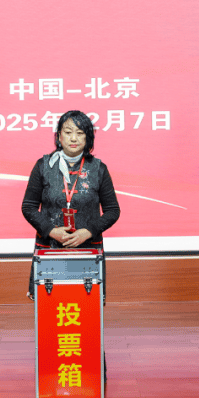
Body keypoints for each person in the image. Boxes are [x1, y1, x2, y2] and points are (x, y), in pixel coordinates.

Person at [22, 110, 120, 299]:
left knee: (85, 304)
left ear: (88, 137)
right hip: (50, 249)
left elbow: (113, 211)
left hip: (88, 249)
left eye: (80, 133)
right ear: (59, 136)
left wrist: (89, 231)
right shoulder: (43, 166)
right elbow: (28, 207)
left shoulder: (98, 169)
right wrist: (51, 230)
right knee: (51, 305)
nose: (73, 138)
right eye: (68, 132)